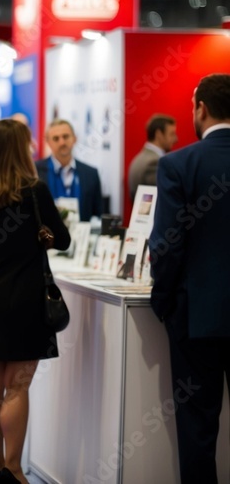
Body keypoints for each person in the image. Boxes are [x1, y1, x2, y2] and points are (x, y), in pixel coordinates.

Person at [0, 119, 71, 484]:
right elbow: (63, 239)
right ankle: (14, 468)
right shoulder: (34, 191)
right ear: (19, 149)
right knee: (17, 387)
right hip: (26, 297)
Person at [149, 74, 230, 484]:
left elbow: (167, 244)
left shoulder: (178, 164)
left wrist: (162, 301)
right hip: (197, 313)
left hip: (196, 317)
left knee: (197, 428)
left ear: (201, 108)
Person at [35, 119, 103, 222]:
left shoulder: (91, 174)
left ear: (75, 139)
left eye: (65, 137)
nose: (62, 142)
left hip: (83, 231)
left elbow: (98, 214)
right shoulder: (36, 172)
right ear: (48, 142)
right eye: (56, 138)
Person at [127, 114, 177, 201]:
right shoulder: (154, 163)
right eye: (172, 134)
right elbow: (164, 198)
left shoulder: (140, 158)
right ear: (159, 134)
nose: (176, 139)